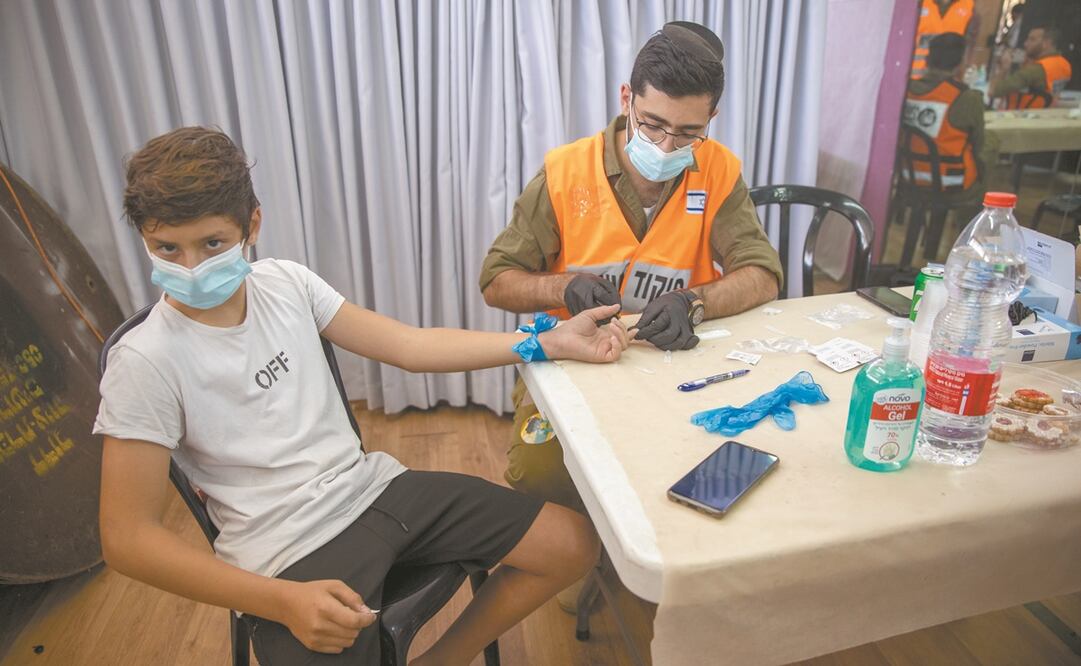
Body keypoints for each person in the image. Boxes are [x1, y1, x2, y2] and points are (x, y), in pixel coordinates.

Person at [94, 127, 632, 666]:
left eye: (212, 244)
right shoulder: (144, 361)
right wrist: (281, 601)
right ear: (143, 237)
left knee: (571, 543)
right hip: (283, 553)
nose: (192, 268)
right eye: (168, 248)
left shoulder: (286, 282)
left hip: (373, 491)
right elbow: (128, 537)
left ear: (252, 225)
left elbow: (409, 345)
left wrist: (546, 342)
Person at [477, 21, 782, 607]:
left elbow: (762, 274)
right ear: (627, 99)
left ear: (711, 121)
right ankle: (579, 553)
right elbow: (496, 281)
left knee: (717, 454)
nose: (667, 147)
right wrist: (564, 288)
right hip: (575, 358)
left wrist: (695, 301)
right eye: (653, 125)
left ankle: (662, 554)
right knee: (539, 475)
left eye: (687, 132)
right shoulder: (566, 172)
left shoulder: (718, 171)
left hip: (670, 356)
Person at [903, 32, 992, 201]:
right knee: (989, 147)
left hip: (906, 174)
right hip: (950, 182)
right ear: (960, 64)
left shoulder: (906, 89)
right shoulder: (966, 97)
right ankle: (974, 223)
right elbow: (978, 143)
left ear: (927, 59)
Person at [991, 25, 1073, 109]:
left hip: (1018, 115)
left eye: (1032, 39)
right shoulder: (1064, 64)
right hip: (1044, 113)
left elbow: (993, 91)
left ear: (1046, 43)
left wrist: (1003, 68)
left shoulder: (1035, 70)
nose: (1025, 43)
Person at [912, 0, 977, 79]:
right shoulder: (915, 3)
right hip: (911, 80)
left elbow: (970, 44)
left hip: (947, 80)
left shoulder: (968, 5)